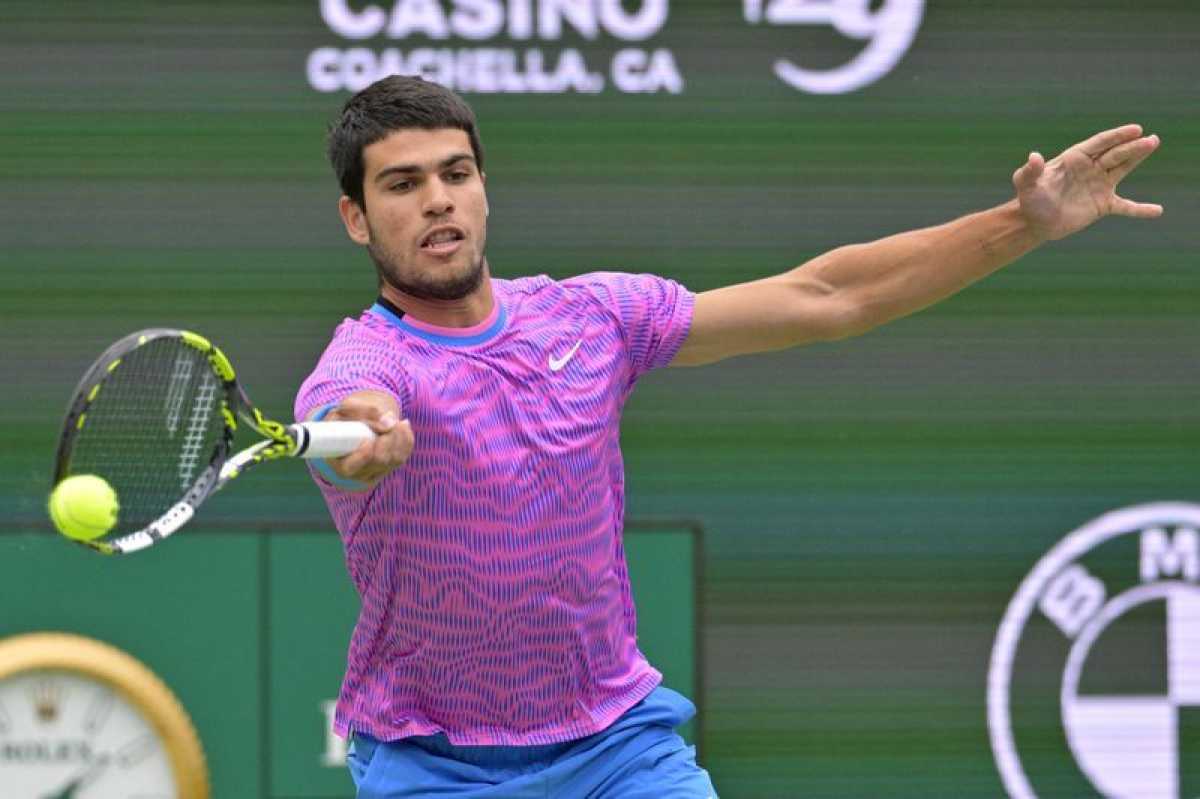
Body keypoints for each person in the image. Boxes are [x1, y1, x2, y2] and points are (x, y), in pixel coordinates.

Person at [294, 75, 1161, 798]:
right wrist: (365, 437)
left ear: (485, 186)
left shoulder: (591, 318)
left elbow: (828, 296)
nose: (438, 199)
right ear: (356, 218)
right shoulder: (368, 356)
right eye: (403, 184)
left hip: (618, 752)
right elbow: (354, 413)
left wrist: (1025, 225)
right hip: (433, 764)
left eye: (455, 173)